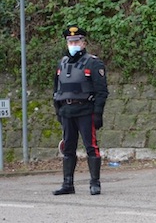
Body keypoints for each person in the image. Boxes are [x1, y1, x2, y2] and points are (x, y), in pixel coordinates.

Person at [52, 25, 108, 195]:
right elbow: (56, 89)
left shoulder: (93, 62)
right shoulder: (62, 63)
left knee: (91, 147)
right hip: (67, 111)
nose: (73, 43)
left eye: (76, 41)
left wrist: (98, 113)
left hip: (85, 111)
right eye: (70, 41)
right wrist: (58, 111)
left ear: (84, 43)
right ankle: (68, 184)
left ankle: (95, 183)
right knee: (68, 148)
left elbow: (102, 91)